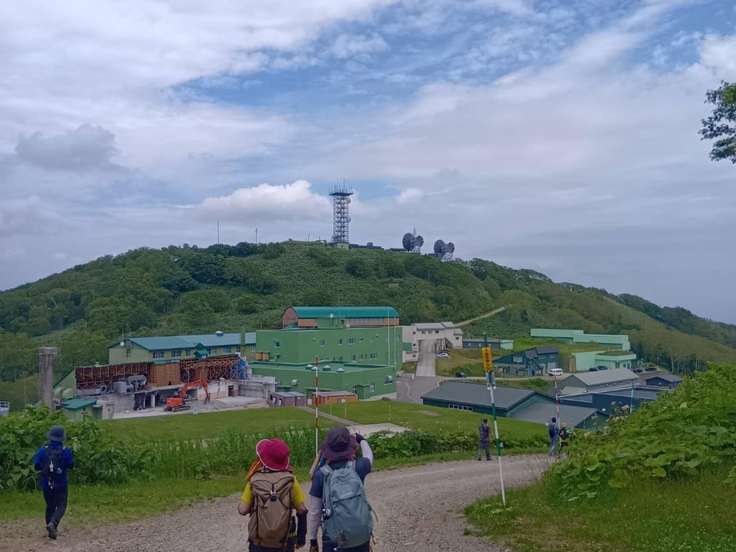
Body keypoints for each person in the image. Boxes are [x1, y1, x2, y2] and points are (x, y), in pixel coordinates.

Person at [308, 428, 374, 552]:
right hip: (360, 536)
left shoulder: (321, 475)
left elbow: (314, 512)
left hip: (333, 539)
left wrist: (313, 540)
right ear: (350, 447)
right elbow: (369, 456)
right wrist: (362, 439)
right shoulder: (358, 467)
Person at [238, 438, 308, 552]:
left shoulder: (254, 480)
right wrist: (301, 539)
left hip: (259, 540)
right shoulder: (291, 480)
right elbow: (302, 510)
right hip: (285, 541)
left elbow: (243, 510)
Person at [33, 425, 74, 540]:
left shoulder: (42, 450)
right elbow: (71, 465)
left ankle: (50, 528)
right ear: (62, 438)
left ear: (50, 436)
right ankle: (53, 524)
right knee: (61, 505)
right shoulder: (66, 451)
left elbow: (36, 466)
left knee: (50, 506)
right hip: (61, 484)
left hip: (47, 484)